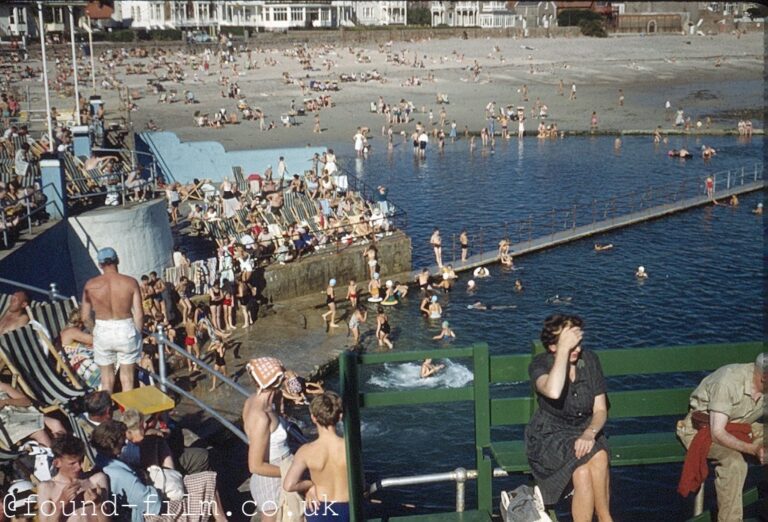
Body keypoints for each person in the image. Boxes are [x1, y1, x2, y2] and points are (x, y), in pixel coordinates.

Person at [525, 315, 612, 521]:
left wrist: (590, 433)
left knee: (592, 462)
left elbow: (600, 410)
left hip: (584, 430)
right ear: (553, 346)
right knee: (586, 465)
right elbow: (553, 391)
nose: (577, 349)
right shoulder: (540, 365)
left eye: (578, 343)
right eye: (569, 344)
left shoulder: (590, 361)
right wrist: (564, 350)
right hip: (549, 436)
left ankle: (604, 516)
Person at [676, 353, 766, 522]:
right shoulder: (728, 381)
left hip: (740, 425)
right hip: (703, 430)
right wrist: (753, 448)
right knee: (734, 464)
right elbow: (717, 433)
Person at [243, 358, 303, 521]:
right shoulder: (261, 417)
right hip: (271, 477)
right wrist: (290, 472)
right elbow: (255, 466)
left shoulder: (253, 401)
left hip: (281, 469)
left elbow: (295, 390)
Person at [80, 248, 143, 393]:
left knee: (106, 380)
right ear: (118, 261)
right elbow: (139, 315)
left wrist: (94, 331)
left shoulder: (90, 285)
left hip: (102, 329)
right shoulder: (131, 282)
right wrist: (137, 334)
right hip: (126, 328)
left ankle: (105, 413)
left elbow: (85, 317)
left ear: (100, 265)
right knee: (127, 379)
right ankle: (128, 413)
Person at [284, 392, 349, 521]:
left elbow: (289, 485)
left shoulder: (306, 451)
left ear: (313, 418)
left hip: (319, 508)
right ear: (340, 416)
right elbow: (361, 483)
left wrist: (310, 485)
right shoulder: (350, 447)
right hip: (348, 507)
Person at [37, 434, 110, 522]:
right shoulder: (47, 488)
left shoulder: (97, 480)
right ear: (57, 463)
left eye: (81, 460)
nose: (79, 467)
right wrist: (61, 503)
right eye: (72, 463)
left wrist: (98, 505)